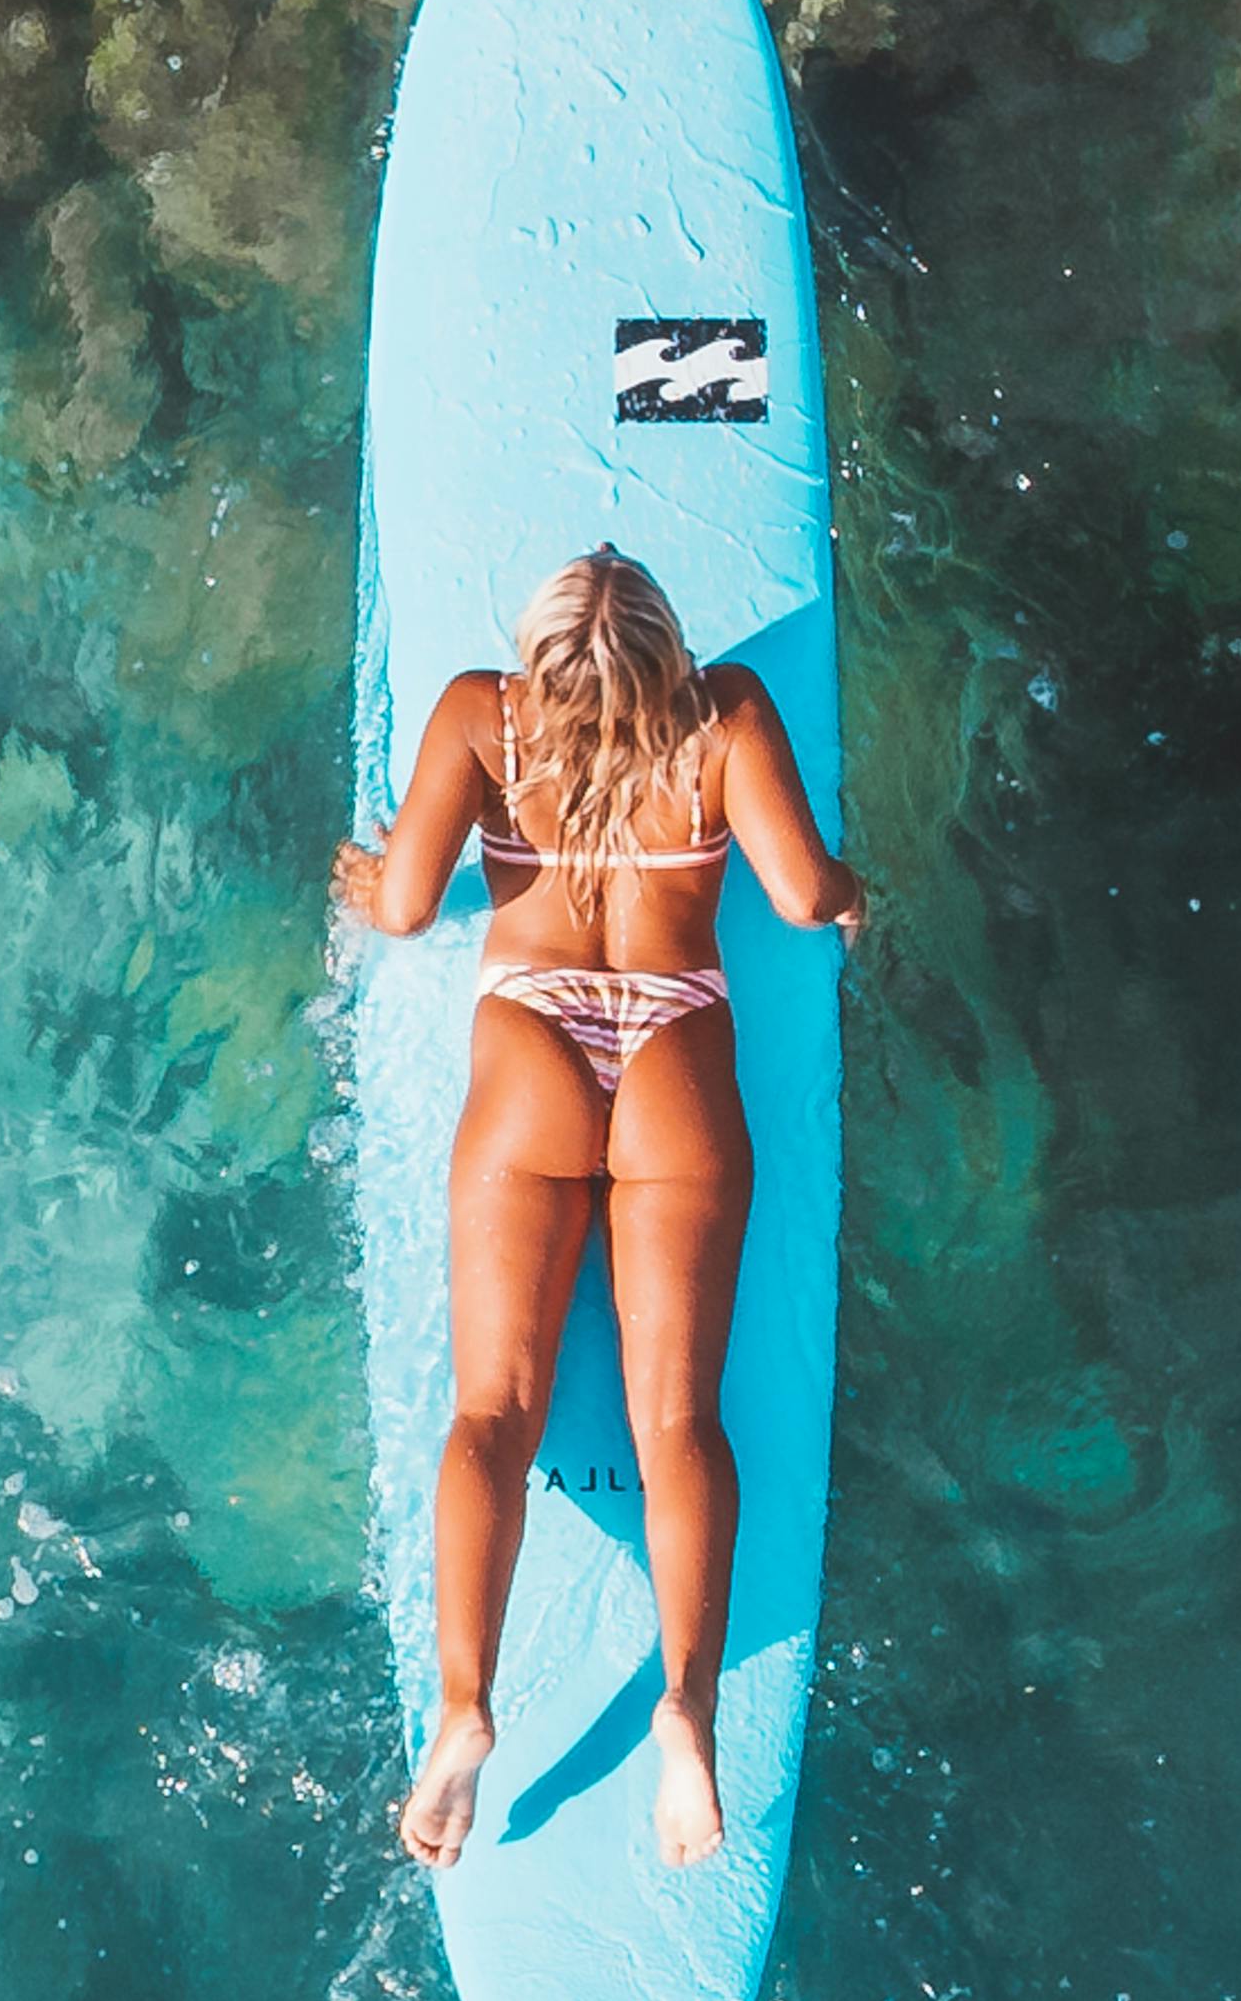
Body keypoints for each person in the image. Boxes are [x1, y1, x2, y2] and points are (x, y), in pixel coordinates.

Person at [340, 545, 860, 1876]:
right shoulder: (724, 710)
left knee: (491, 1413)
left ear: (545, 655)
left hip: (531, 1049)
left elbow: (402, 908)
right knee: (679, 1416)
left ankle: (463, 1706)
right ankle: (686, 1709)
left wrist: (364, 880)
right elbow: (802, 897)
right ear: (662, 653)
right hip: (673, 1042)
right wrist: (860, 900)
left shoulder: (481, 711)